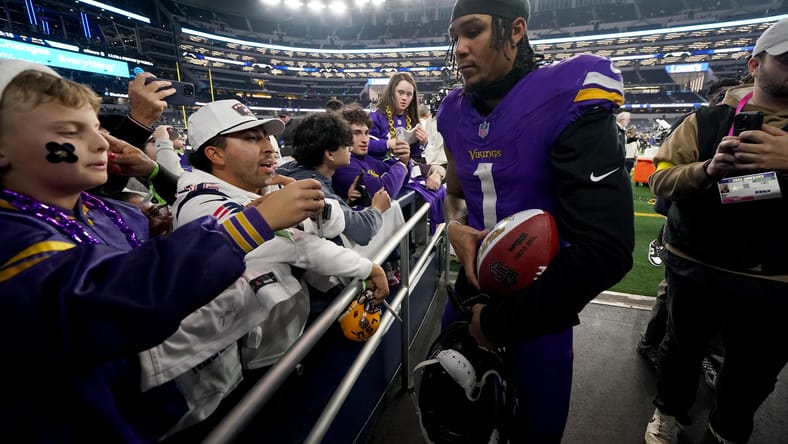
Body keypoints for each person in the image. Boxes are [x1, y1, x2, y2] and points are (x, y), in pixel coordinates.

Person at [0, 59, 325, 442]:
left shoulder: (107, 208)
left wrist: (155, 194)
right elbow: (108, 298)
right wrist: (247, 227)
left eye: (98, 128)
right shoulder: (11, 237)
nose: (102, 142)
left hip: (149, 406)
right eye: (71, 131)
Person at [438, 0, 634, 441]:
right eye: (455, 37)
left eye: (473, 31)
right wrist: (454, 228)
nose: (461, 47)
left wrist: (497, 325)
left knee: (534, 431)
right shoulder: (452, 112)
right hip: (468, 294)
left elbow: (609, 249)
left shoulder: (566, 95)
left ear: (516, 30)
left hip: (540, 304)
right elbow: (452, 195)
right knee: (451, 419)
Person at [644, 18, 788, 444]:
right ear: (756, 64)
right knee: (680, 351)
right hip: (696, 262)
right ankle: (668, 412)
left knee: (756, 369)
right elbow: (660, 179)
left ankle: (728, 429)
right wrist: (708, 170)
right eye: (785, 60)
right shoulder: (705, 120)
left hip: (775, 276)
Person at [368, 72, 428, 161]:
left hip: (404, 169)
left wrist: (422, 142)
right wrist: (388, 144)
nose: (404, 98)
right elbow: (366, 145)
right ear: (391, 92)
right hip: (379, 169)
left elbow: (413, 154)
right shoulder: (375, 116)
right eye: (400, 93)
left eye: (409, 94)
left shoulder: (412, 120)